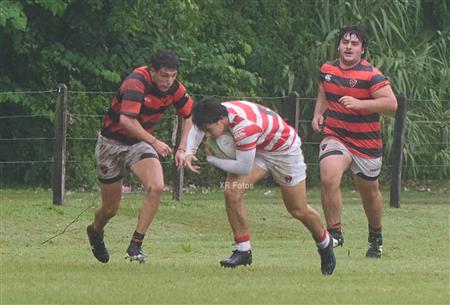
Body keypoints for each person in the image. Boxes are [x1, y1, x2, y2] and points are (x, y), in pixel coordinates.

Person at [183, 96, 336, 275]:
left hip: (283, 152)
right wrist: (189, 152)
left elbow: (243, 167)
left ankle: (325, 245)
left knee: (298, 209)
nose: (207, 135)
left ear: (221, 120)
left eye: (209, 130)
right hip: (258, 149)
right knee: (232, 191)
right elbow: (197, 127)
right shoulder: (217, 111)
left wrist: (212, 159)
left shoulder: (245, 127)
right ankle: (243, 250)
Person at [87, 49, 194, 263]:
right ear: (152, 71)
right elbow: (127, 122)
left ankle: (135, 245)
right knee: (110, 208)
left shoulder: (174, 88)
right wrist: (155, 141)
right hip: (111, 144)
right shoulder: (135, 83)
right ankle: (95, 231)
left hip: (138, 143)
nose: (169, 81)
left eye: (173, 76)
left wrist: (183, 148)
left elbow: (189, 115)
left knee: (156, 186)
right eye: (164, 75)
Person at [312, 25, 397, 258]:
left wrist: (361, 104)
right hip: (336, 135)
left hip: (366, 144)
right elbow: (324, 91)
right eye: (345, 42)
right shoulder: (327, 69)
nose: (348, 47)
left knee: (369, 193)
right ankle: (335, 233)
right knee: (329, 176)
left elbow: (391, 104)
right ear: (339, 45)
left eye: (354, 43)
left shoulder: (371, 75)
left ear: (362, 50)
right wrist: (318, 114)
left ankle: (375, 236)